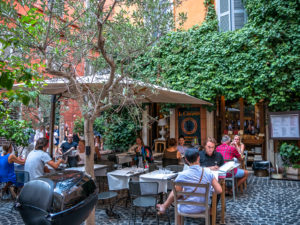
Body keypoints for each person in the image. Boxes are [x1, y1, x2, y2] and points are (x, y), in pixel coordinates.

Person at [157, 148, 222, 224]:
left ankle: (164, 206)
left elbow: (177, 193)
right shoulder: (208, 172)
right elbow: (219, 190)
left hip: (186, 208)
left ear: (186, 160)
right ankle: (164, 206)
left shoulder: (182, 175)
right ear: (199, 158)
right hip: (203, 207)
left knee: (177, 193)